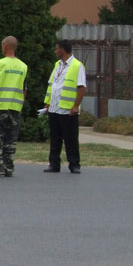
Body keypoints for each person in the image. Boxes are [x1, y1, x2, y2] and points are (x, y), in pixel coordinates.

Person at [0, 36, 28, 177]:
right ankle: (9, 167)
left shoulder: (0, 64)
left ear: (5, 46)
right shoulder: (23, 66)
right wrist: (20, 104)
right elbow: (24, 89)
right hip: (15, 108)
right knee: (11, 139)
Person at [43, 39, 86, 174]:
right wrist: (48, 103)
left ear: (62, 49)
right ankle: (54, 164)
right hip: (54, 108)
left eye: (57, 49)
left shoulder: (77, 65)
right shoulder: (57, 65)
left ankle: (74, 164)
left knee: (70, 138)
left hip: (68, 110)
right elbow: (52, 84)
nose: (55, 51)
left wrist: (76, 106)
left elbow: (81, 88)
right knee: (55, 139)